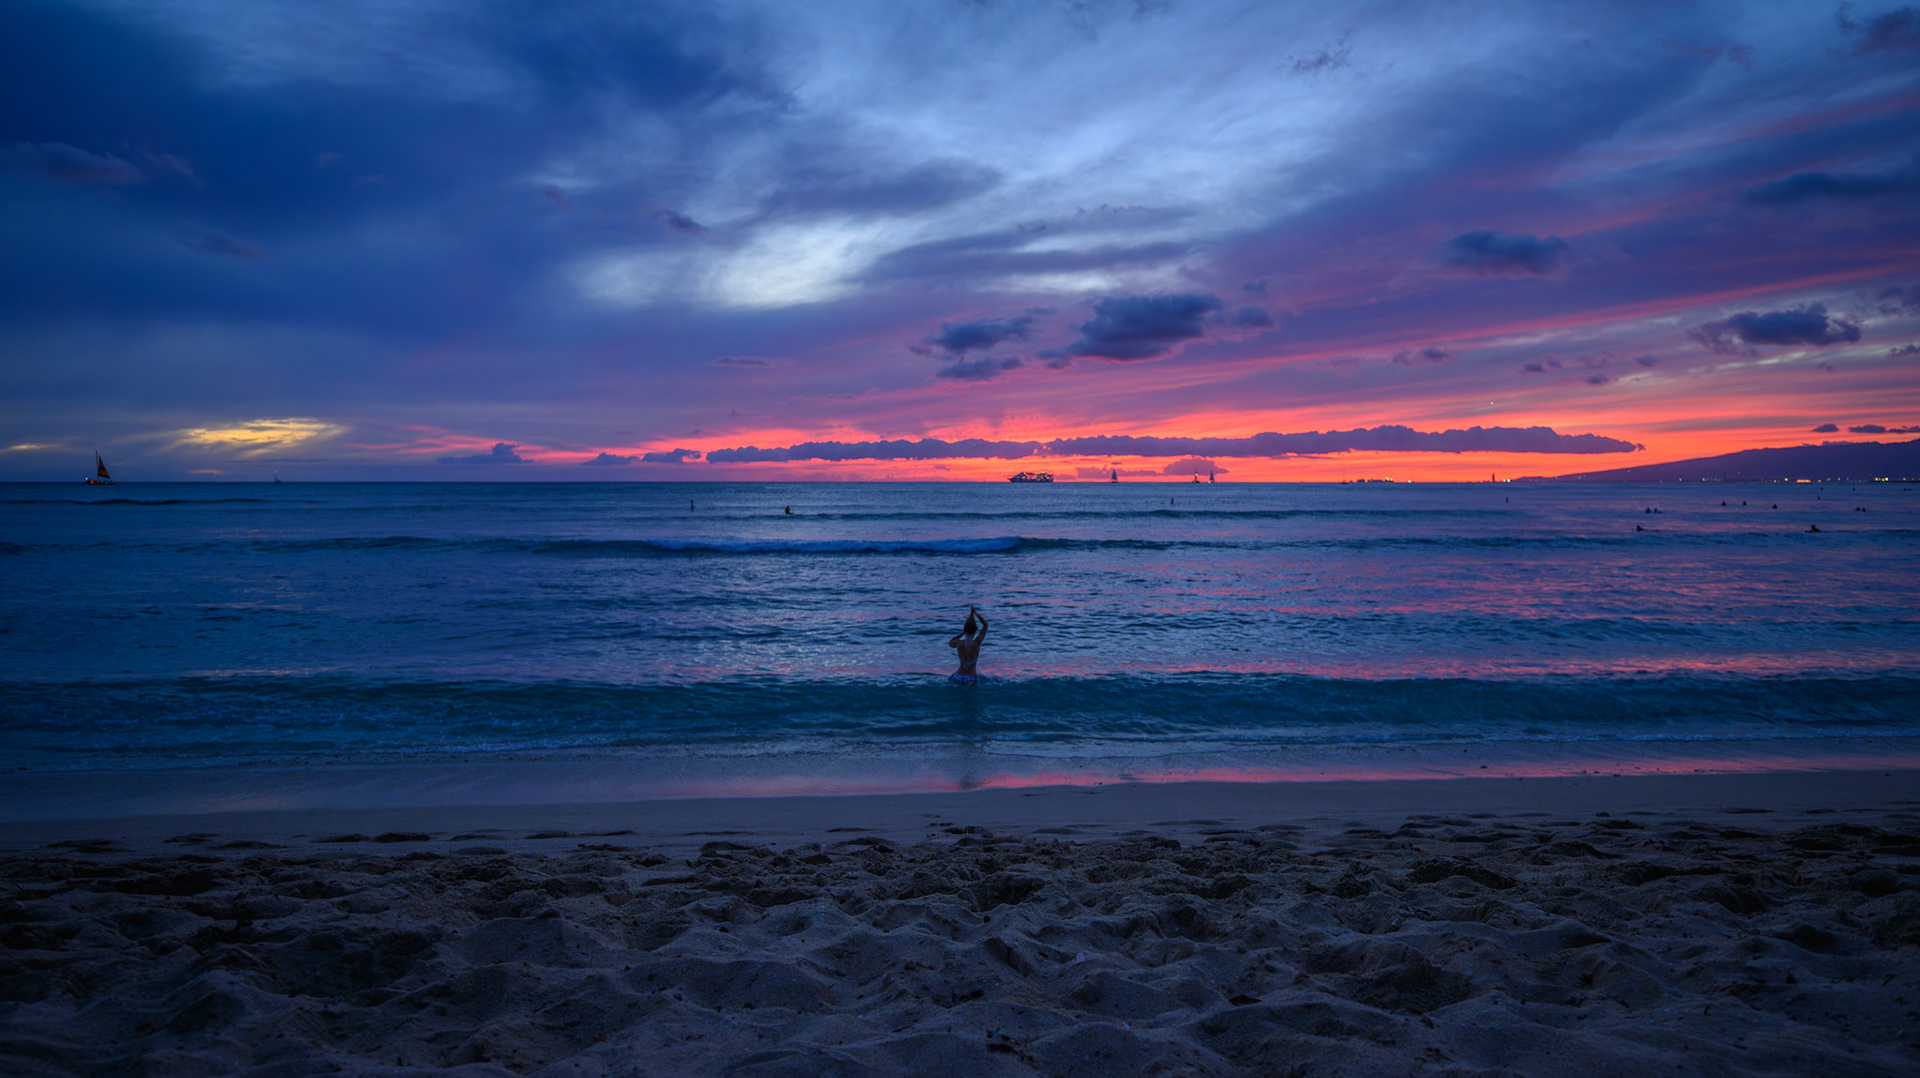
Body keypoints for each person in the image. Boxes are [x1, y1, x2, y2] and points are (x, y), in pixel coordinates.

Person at [948, 606, 988, 684]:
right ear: (975, 631)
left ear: (965, 630)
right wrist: (976, 614)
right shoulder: (976, 643)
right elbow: (985, 625)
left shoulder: (958, 643)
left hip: (959, 675)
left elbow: (950, 643)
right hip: (971, 677)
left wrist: (962, 633)